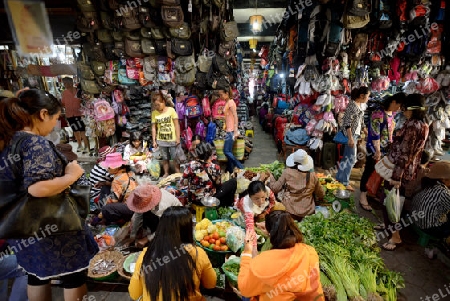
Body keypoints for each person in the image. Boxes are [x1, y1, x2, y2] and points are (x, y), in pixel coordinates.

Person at [0, 89, 98, 301]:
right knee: (73, 279)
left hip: (25, 229)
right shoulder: (34, 143)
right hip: (54, 229)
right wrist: (72, 175)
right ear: (43, 114)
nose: (55, 124)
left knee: (37, 277)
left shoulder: (8, 140)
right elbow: (37, 188)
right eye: (55, 118)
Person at [375, 94, 429, 251]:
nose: (402, 110)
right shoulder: (419, 124)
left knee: (392, 204)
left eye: (405, 107)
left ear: (412, 108)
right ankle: (388, 227)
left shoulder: (413, 126)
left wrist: (397, 177)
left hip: (399, 172)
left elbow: (406, 154)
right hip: (401, 170)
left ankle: (395, 237)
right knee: (388, 201)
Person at [129, 206, 216, 301]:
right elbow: (211, 284)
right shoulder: (197, 253)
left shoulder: (146, 255)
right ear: (187, 229)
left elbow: (134, 294)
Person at [238, 211, 324, 301]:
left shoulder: (262, 262)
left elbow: (244, 289)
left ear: (269, 233)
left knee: (245, 296)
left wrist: (247, 252)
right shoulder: (309, 251)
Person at [359, 92, 406, 211]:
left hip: (386, 148)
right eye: (399, 105)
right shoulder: (378, 114)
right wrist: (378, 151)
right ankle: (362, 195)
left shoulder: (392, 113)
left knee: (379, 172)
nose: (400, 109)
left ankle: (371, 192)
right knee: (369, 170)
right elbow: (375, 135)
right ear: (394, 102)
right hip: (374, 149)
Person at [264, 149, 324, 221]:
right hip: (308, 212)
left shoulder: (287, 172)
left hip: (290, 211)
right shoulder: (313, 175)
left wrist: (271, 177)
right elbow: (321, 194)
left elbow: (275, 189)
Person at [235, 181, 284, 257]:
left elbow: (272, 201)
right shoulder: (246, 204)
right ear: (250, 197)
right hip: (243, 214)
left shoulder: (267, 190)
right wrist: (254, 250)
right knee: (247, 229)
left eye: (263, 197)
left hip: (258, 212)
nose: (261, 201)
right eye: (256, 199)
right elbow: (250, 229)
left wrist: (265, 212)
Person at [335, 86, 370, 191]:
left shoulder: (359, 105)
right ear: (361, 96)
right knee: (352, 159)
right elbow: (347, 123)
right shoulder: (352, 105)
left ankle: (339, 179)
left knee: (346, 158)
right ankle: (345, 182)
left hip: (355, 135)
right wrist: (350, 138)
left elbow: (361, 121)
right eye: (367, 96)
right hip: (350, 135)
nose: (368, 98)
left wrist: (365, 130)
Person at [411, 161, 450, 239]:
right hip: (429, 228)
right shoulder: (444, 192)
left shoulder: (426, 185)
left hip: (415, 221)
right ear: (444, 179)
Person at [97, 153, 137, 225]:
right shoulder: (129, 173)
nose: (108, 169)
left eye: (109, 167)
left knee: (106, 208)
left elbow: (113, 199)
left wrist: (100, 215)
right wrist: (105, 183)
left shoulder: (117, 180)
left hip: (130, 207)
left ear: (118, 167)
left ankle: (113, 221)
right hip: (135, 202)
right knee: (105, 188)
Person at [151, 90, 180, 177]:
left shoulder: (171, 110)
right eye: (155, 105)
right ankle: (166, 173)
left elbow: (176, 125)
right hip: (161, 140)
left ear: (163, 102)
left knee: (175, 158)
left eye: (158, 105)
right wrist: (154, 140)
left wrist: (178, 138)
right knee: (165, 158)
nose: (156, 107)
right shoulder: (154, 113)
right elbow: (153, 128)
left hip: (172, 139)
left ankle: (177, 173)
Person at [61, 77, 90, 154]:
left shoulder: (78, 91)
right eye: (64, 83)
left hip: (79, 114)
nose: (66, 85)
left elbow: (83, 101)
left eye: (67, 83)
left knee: (82, 131)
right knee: (75, 131)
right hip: (70, 114)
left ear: (71, 82)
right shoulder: (64, 93)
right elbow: (63, 103)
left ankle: (86, 146)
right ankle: (80, 145)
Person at [218, 88, 244, 173]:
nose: (220, 96)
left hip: (231, 131)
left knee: (226, 151)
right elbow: (229, 116)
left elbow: (235, 117)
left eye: (221, 94)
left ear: (226, 93)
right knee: (229, 150)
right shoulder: (228, 102)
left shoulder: (231, 103)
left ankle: (240, 166)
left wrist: (235, 131)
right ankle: (229, 169)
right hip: (229, 130)